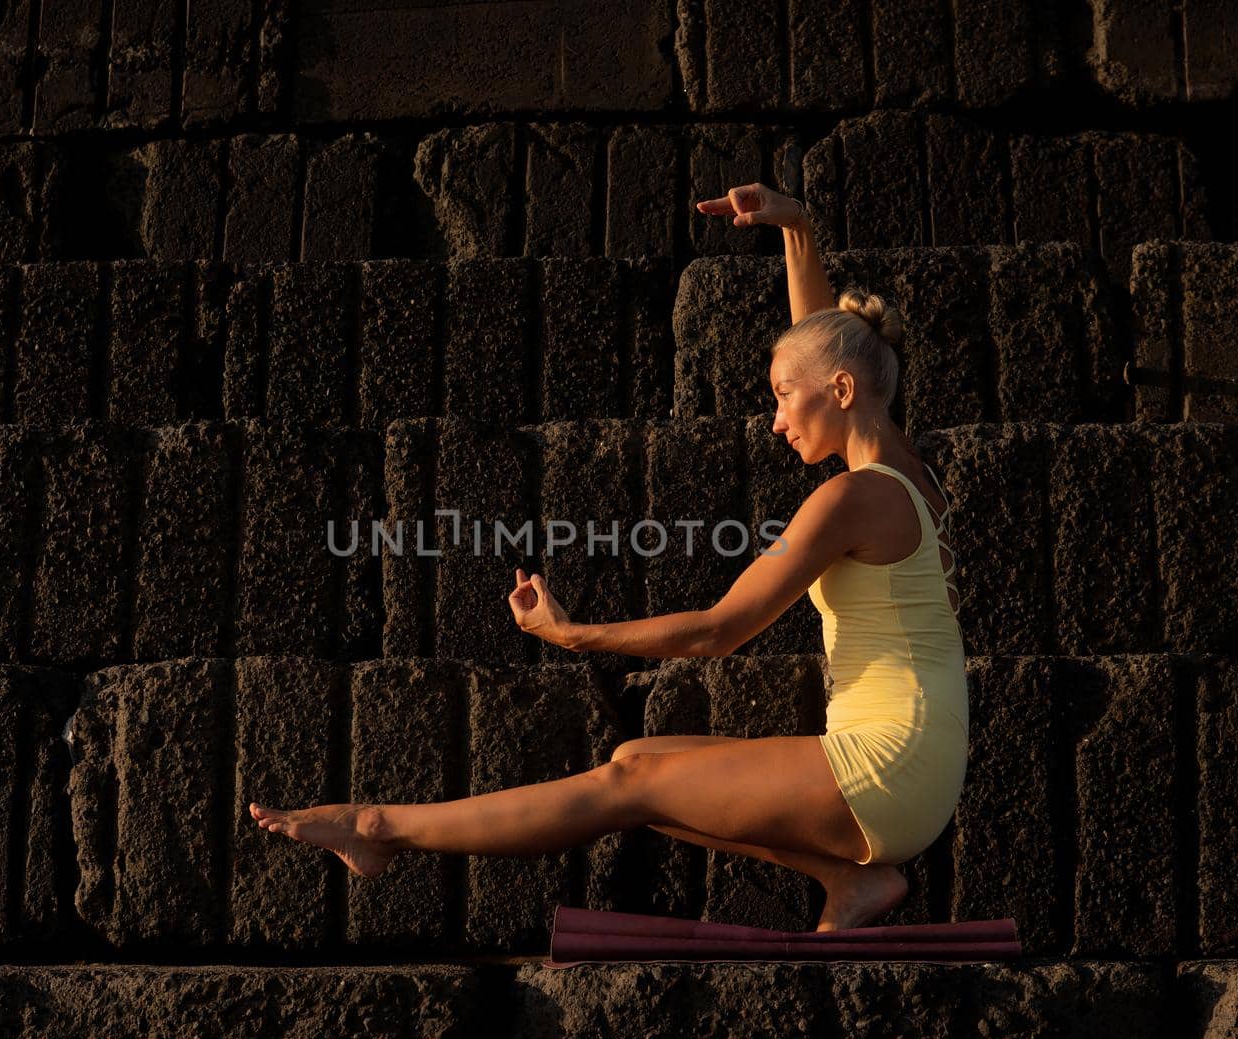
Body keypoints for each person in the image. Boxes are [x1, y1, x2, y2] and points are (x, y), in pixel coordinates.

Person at [251, 182, 968, 932]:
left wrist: (574, 636)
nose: (777, 418)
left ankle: (379, 827)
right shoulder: (910, 476)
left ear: (842, 390)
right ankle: (851, 883)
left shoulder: (849, 500)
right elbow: (823, 350)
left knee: (628, 778)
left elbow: (716, 632)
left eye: (785, 397)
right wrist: (795, 230)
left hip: (886, 767)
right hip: (919, 767)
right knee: (645, 761)